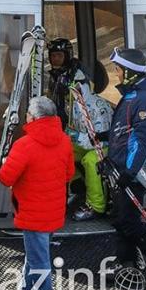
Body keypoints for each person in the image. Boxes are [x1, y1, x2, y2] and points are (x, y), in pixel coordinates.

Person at [98, 48, 146, 274]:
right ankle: (126, 262)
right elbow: (125, 132)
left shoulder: (142, 99)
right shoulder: (132, 96)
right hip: (122, 168)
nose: (116, 73)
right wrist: (106, 137)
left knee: (130, 221)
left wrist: (129, 171)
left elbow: (142, 139)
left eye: (119, 69)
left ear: (130, 73)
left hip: (132, 173)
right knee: (122, 218)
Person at [0, 96, 75, 290]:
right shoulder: (65, 141)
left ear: (34, 118)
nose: (26, 116)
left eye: (28, 114)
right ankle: (25, 289)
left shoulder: (25, 145)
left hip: (32, 211)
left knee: (39, 258)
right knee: (35, 252)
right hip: (53, 209)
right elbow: (69, 173)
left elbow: (5, 178)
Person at [47, 38, 113, 222]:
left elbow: (97, 132)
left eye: (59, 55)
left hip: (100, 143)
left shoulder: (90, 98)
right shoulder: (57, 79)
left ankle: (96, 205)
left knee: (91, 161)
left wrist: (80, 136)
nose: (55, 60)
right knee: (61, 153)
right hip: (77, 134)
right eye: (52, 56)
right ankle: (76, 188)